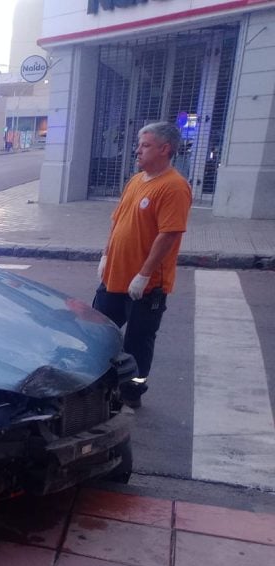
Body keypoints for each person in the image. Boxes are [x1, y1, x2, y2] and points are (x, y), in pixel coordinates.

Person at [94, 121, 192, 408]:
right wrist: (105, 255)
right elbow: (117, 222)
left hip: (145, 286)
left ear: (165, 149)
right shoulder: (136, 181)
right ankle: (98, 385)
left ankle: (133, 392)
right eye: (139, 144)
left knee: (137, 343)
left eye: (145, 145)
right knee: (97, 330)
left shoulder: (174, 186)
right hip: (114, 277)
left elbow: (169, 234)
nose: (137, 150)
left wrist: (144, 274)